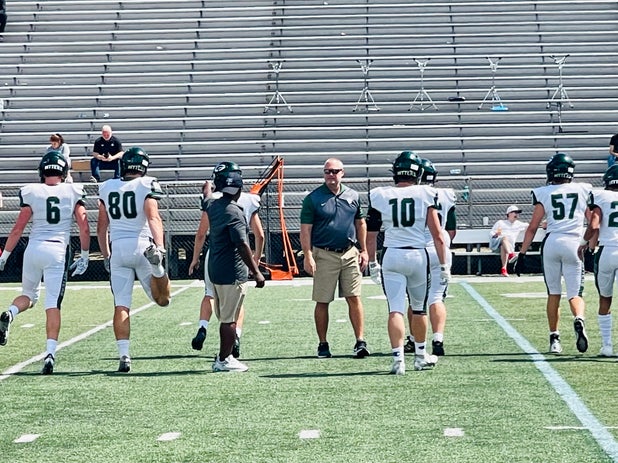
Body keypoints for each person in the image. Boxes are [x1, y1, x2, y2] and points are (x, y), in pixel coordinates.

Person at [0, 151, 90, 374]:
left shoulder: (32, 191)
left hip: (33, 249)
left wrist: (4, 257)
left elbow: (18, 228)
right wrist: (85, 254)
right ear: (63, 171)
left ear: (42, 171)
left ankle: (10, 312)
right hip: (57, 250)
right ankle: (49, 354)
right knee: (52, 303)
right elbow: (84, 226)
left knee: (29, 295)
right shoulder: (72, 191)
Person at [366, 151, 450, 375]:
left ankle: (398, 360)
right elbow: (438, 235)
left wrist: (372, 263)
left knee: (395, 309)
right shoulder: (426, 193)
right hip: (417, 256)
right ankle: (420, 357)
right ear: (418, 172)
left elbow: (371, 236)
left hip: (392, 254)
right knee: (419, 309)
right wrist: (444, 265)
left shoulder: (380, 195)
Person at [96, 147, 171, 373]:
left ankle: (124, 355)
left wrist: (106, 256)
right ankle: (157, 269)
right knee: (163, 300)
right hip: (142, 244)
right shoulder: (146, 184)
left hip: (118, 248)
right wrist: (160, 247)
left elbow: (101, 227)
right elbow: (153, 217)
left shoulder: (107, 187)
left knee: (121, 305)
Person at [515, 153, 592, 355]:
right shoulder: (583, 189)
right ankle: (579, 318)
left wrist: (522, 254)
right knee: (575, 293)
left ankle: (555, 339)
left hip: (552, 243)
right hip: (575, 243)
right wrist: (590, 245)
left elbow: (532, 227)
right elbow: (592, 221)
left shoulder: (544, 192)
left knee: (554, 293)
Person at [188, 163, 264, 358]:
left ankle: (203, 327)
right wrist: (255, 265)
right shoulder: (240, 207)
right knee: (233, 310)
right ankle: (228, 351)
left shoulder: (211, 203)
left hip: (214, 258)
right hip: (235, 262)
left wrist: (195, 258)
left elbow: (201, 233)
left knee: (210, 296)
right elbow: (256, 237)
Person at [300, 158, 370, 359]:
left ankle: (360, 341)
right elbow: (305, 229)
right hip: (324, 253)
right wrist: (308, 255)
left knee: (354, 297)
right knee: (322, 300)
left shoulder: (353, 195)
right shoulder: (313, 198)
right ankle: (323, 343)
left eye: (335, 171)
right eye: (327, 171)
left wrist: (364, 250)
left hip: (349, 252)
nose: (331, 175)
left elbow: (360, 223)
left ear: (342, 173)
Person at [402, 158, 456, 357]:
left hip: (416, 250)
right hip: (440, 249)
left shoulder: (410, 194)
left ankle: (413, 339)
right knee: (436, 297)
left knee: (415, 300)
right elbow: (451, 230)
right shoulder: (447, 195)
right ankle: (438, 338)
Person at [583, 164, 618, 357]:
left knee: (605, 299)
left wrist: (584, 244)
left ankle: (607, 346)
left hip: (607, 251)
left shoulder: (601, 196)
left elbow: (594, 225)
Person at [489, 204, 529, 276]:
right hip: (496, 246)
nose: (517, 214)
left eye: (518, 213)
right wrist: (496, 234)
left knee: (503, 246)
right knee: (504, 238)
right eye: (515, 212)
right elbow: (492, 233)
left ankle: (504, 269)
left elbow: (529, 226)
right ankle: (511, 255)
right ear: (509, 214)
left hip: (509, 247)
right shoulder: (500, 222)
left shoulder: (519, 224)